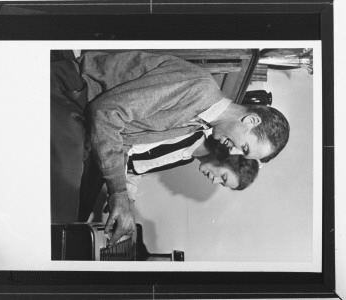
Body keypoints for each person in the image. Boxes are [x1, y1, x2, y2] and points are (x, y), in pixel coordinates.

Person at [50, 50, 290, 245]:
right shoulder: (198, 88)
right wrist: (119, 194)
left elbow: (124, 139)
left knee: (72, 220)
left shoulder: (197, 123)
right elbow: (105, 112)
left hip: (83, 117)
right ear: (251, 121)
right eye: (245, 148)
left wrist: (121, 195)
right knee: (59, 210)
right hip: (70, 92)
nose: (234, 152)